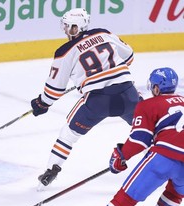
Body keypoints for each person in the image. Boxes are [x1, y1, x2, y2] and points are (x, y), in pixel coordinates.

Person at [30, 8, 140, 188]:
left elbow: (54, 90)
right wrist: (106, 71)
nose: (66, 29)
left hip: (98, 101)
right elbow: (128, 56)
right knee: (150, 126)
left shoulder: (64, 51)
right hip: (128, 94)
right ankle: (171, 154)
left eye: (68, 26)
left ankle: (51, 171)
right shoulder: (103, 33)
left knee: (68, 134)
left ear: (75, 27)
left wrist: (41, 103)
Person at [95, 67, 184, 206]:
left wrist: (120, 156)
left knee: (124, 199)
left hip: (164, 157)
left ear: (156, 88)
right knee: (175, 194)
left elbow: (139, 141)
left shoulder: (149, 104)